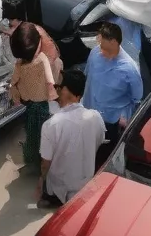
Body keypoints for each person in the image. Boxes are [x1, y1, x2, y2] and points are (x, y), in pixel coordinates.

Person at [38, 68, 106, 208]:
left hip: (59, 187)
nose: (56, 90)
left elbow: (45, 163)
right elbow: (99, 143)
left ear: (65, 91)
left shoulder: (51, 124)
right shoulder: (96, 117)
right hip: (85, 183)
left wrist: (40, 181)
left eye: (58, 87)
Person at [83, 21, 143, 165]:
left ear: (114, 42)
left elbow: (136, 98)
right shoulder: (94, 54)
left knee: (103, 159)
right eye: (100, 47)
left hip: (109, 123)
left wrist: (124, 117)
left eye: (104, 48)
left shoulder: (129, 69)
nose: (101, 51)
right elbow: (87, 79)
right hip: (88, 115)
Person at [9, 22, 58, 168]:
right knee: (42, 131)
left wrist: (14, 96)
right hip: (41, 103)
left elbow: (13, 83)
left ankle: (33, 159)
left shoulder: (21, 65)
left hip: (32, 103)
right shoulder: (41, 58)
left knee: (34, 132)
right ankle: (42, 159)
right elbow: (50, 79)